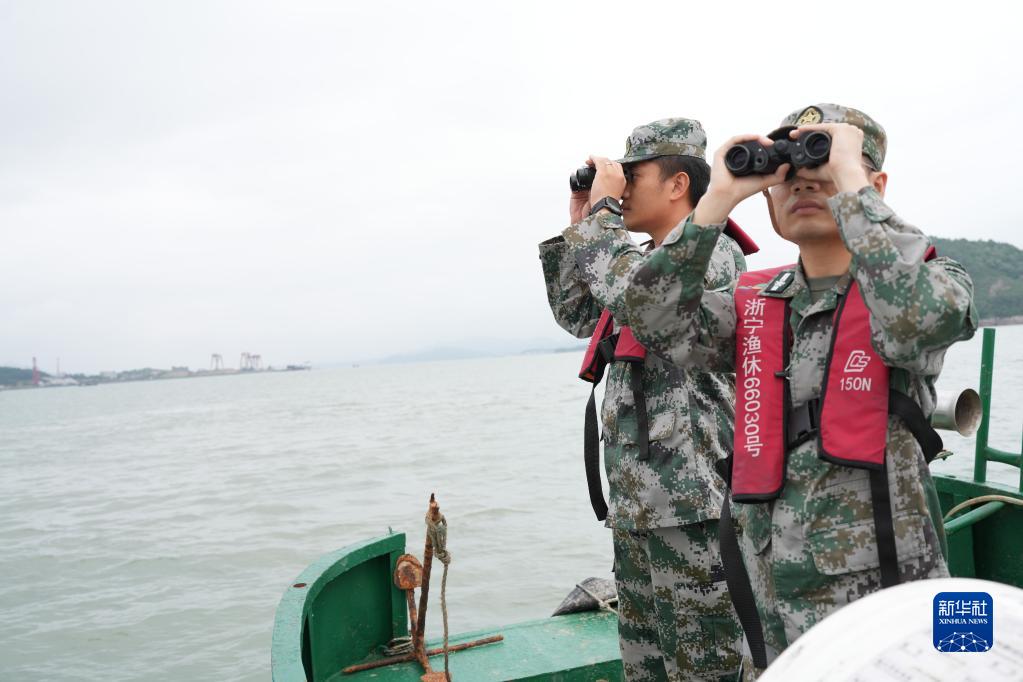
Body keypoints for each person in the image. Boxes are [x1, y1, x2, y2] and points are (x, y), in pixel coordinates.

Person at [556, 104, 977, 679]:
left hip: (884, 615)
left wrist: (851, 182)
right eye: (787, 172)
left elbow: (916, 317)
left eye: (822, 165)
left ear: (874, 186)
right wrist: (717, 201)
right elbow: (647, 312)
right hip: (771, 606)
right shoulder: (756, 306)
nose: (803, 180)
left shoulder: (932, 281)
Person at [539, 118, 753, 681]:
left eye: (632, 176)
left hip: (695, 506)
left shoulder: (713, 254)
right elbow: (578, 314)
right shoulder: (639, 262)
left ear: (679, 184)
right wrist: (582, 225)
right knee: (647, 667)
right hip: (639, 504)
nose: (621, 189)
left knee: (704, 668)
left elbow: (643, 296)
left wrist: (603, 222)